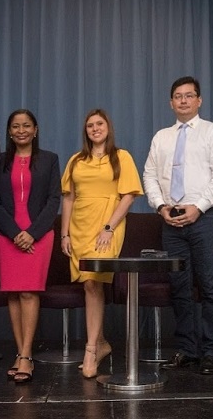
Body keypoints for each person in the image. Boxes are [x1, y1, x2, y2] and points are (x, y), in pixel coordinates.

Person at [143, 76, 213, 375]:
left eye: (189, 95)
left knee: (209, 285)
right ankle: (187, 349)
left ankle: (209, 351)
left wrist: (200, 207)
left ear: (199, 100)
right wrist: (160, 206)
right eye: (178, 96)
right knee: (179, 287)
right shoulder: (161, 137)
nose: (183, 101)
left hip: (204, 218)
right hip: (171, 220)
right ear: (171, 103)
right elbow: (150, 175)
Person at [60, 109, 143, 379]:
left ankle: (91, 349)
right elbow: (69, 198)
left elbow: (129, 196)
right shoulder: (76, 160)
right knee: (88, 283)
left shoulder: (122, 157)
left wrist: (109, 227)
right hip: (80, 226)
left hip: (108, 224)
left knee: (94, 281)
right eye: (90, 126)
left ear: (108, 126)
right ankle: (102, 342)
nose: (95, 128)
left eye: (99, 124)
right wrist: (65, 234)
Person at [0, 109, 60, 383]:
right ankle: (20, 353)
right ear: (9, 131)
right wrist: (15, 232)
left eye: (26, 125)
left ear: (35, 130)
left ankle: (27, 356)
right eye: (16, 126)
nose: (21, 130)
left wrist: (31, 233)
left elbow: (54, 200)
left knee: (29, 293)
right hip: (7, 236)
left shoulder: (50, 160)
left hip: (38, 236)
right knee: (13, 294)